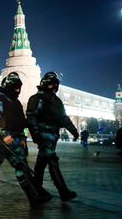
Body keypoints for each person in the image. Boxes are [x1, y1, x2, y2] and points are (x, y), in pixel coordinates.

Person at [0, 72, 50, 208]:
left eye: (19, 87)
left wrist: (23, 137)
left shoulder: (16, 102)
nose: (17, 90)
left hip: (15, 140)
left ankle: (34, 197)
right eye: (15, 87)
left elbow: (21, 122)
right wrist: (4, 135)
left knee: (21, 168)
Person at [27, 72, 79, 202]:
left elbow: (63, 118)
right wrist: (36, 135)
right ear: (45, 83)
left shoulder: (56, 100)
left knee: (40, 165)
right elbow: (31, 118)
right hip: (44, 137)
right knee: (52, 161)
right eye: (51, 84)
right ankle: (63, 192)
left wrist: (74, 131)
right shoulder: (37, 98)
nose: (54, 87)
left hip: (53, 136)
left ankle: (36, 191)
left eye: (56, 85)